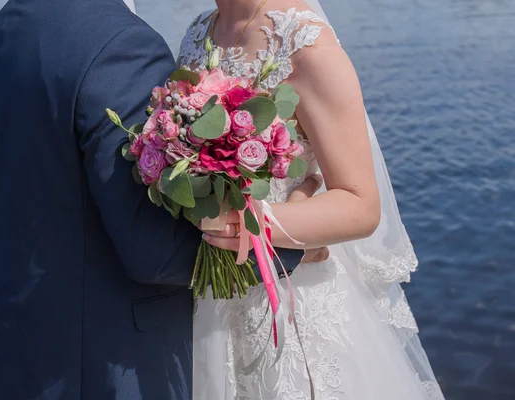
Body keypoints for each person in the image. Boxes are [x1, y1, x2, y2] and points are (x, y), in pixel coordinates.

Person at [0, 0, 327, 398]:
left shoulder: (7, 24)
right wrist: (289, 245)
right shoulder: (120, 45)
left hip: (17, 343)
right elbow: (155, 252)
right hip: (104, 362)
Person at [173, 0, 446, 399]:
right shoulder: (198, 33)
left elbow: (360, 205)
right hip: (207, 301)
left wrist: (251, 225)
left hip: (291, 299)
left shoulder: (304, 42)